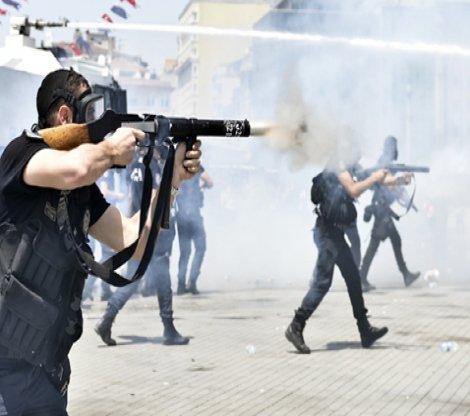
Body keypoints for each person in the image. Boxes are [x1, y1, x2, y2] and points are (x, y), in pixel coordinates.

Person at [0, 68, 201, 413]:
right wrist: (111, 149)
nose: (100, 122)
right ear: (65, 115)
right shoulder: (22, 153)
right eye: (91, 110)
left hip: (47, 370)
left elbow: (133, 241)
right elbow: (76, 169)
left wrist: (172, 180)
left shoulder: (82, 191)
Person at [285, 141, 405, 354]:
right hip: (327, 233)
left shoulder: (349, 167)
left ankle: (364, 330)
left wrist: (398, 180)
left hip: (336, 235)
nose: (358, 158)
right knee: (322, 284)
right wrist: (375, 177)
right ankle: (296, 326)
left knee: (353, 278)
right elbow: (354, 190)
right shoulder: (338, 166)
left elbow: (375, 178)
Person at [95, 146, 189, 346]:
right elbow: (156, 198)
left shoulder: (135, 165)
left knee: (133, 279)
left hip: (139, 228)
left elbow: (131, 197)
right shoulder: (153, 165)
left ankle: (107, 320)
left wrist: (132, 227)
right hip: (154, 231)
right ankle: (169, 329)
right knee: (162, 280)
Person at [360, 136, 420, 292]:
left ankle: (405, 274)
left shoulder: (386, 162)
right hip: (381, 209)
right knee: (375, 245)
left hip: (382, 208)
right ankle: (361, 278)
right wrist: (401, 182)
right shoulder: (384, 162)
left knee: (393, 240)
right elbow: (387, 182)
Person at [82, 170, 125, 301]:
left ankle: (102, 290)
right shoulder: (106, 171)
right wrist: (119, 196)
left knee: (105, 254)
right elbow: (105, 191)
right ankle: (88, 289)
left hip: (97, 217)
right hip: (100, 218)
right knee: (105, 254)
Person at [175, 166, 213, 295]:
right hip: (194, 215)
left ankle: (181, 285)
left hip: (181, 216)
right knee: (200, 248)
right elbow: (210, 182)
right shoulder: (196, 166)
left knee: (185, 252)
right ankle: (192, 282)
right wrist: (201, 186)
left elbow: (172, 190)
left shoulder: (177, 168)